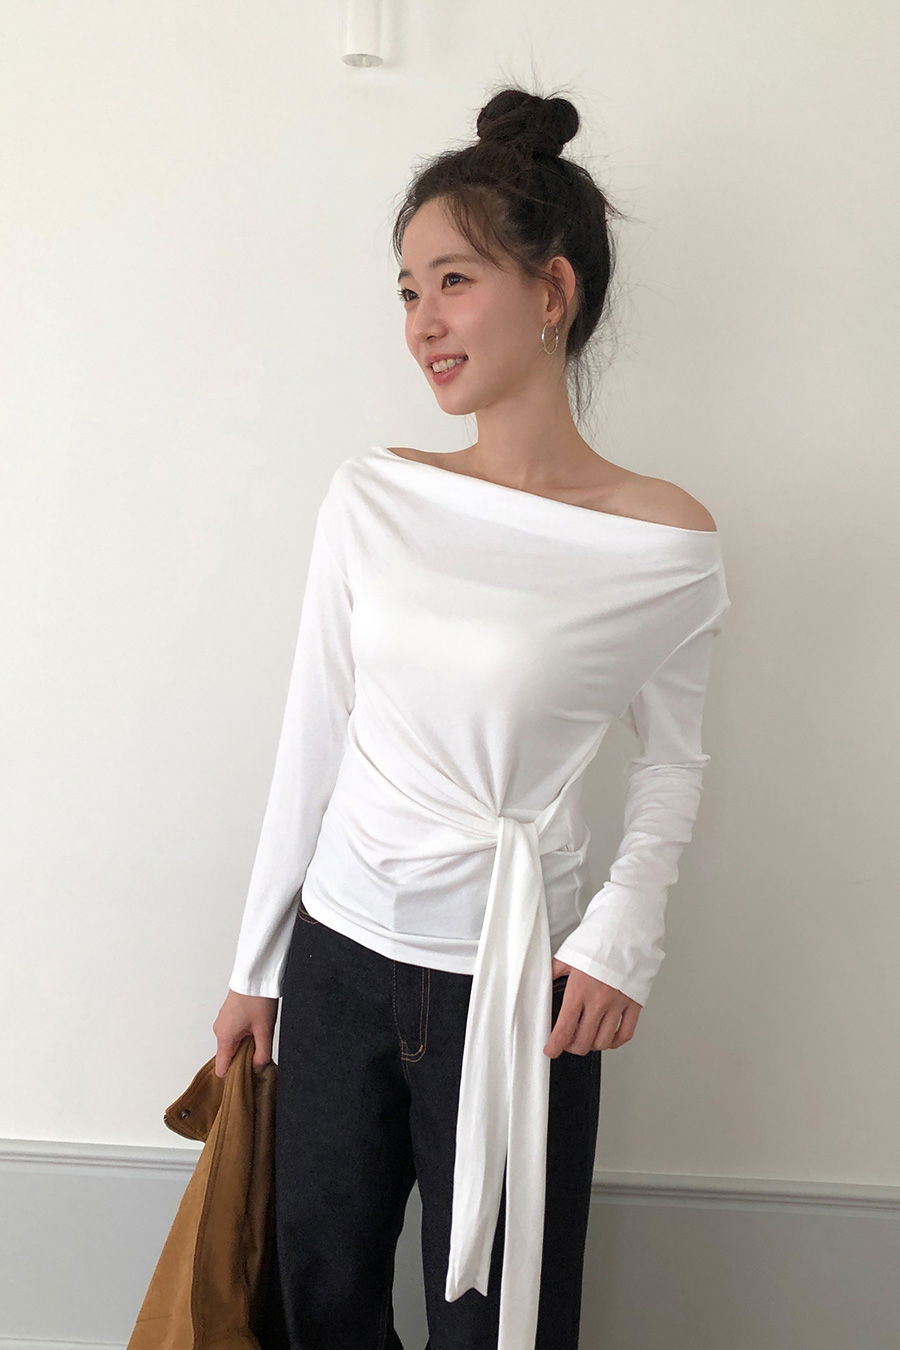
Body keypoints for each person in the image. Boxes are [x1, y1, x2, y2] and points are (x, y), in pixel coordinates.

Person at [212, 84, 731, 1350]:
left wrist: (622, 936)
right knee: (321, 1303)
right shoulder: (372, 498)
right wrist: (254, 970)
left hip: (519, 984)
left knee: (505, 1323)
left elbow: (674, 762)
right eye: (407, 291)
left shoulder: (663, 544)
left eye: (452, 281)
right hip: (340, 957)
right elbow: (315, 732)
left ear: (552, 292)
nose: (422, 323)